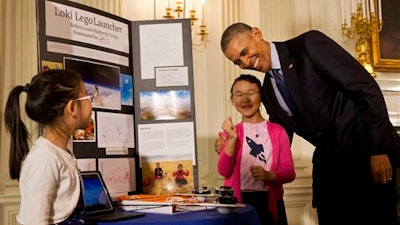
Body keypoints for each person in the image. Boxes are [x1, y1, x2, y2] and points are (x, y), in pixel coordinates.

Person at [217, 22, 400, 225]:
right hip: (329, 169)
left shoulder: (308, 45)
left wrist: (378, 149)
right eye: (238, 62)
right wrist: (233, 146)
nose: (245, 62)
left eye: (244, 52)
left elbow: (365, 89)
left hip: (367, 156)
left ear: (257, 34)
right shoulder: (268, 89)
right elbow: (278, 137)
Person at [4, 69, 93, 225]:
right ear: (72, 108)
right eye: (88, 97)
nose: (91, 102)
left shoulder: (60, 154)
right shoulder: (44, 159)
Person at [217, 74, 295, 225]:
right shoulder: (230, 132)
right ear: (233, 101)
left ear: (261, 96)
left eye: (251, 93)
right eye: (239, 94)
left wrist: (270, 175)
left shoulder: (278, 131)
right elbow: (224, 171)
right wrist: (232, 139)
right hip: (238, 204)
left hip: (269, 203)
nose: (245, 99)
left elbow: (289, 171)